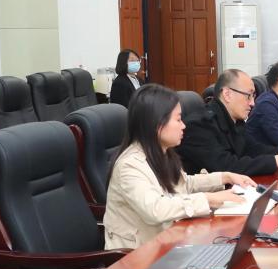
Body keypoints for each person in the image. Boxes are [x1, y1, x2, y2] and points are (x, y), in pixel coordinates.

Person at [103, 83, 258, 250]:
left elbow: (185, 184)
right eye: (178, 119)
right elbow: (156, 209)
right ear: (157, 124)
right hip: (136, 255)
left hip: (168, 240)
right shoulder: (129, 165)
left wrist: (225, 177)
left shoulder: (162, 152)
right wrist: (209, 199)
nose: (183, 125)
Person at [178, 69, 278, 176]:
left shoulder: (235, 120)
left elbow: (253, 149)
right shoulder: (199, 126)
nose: (252, 103)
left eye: (253, 96)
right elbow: (227, 167)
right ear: (227, 94)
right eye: (248, 96)